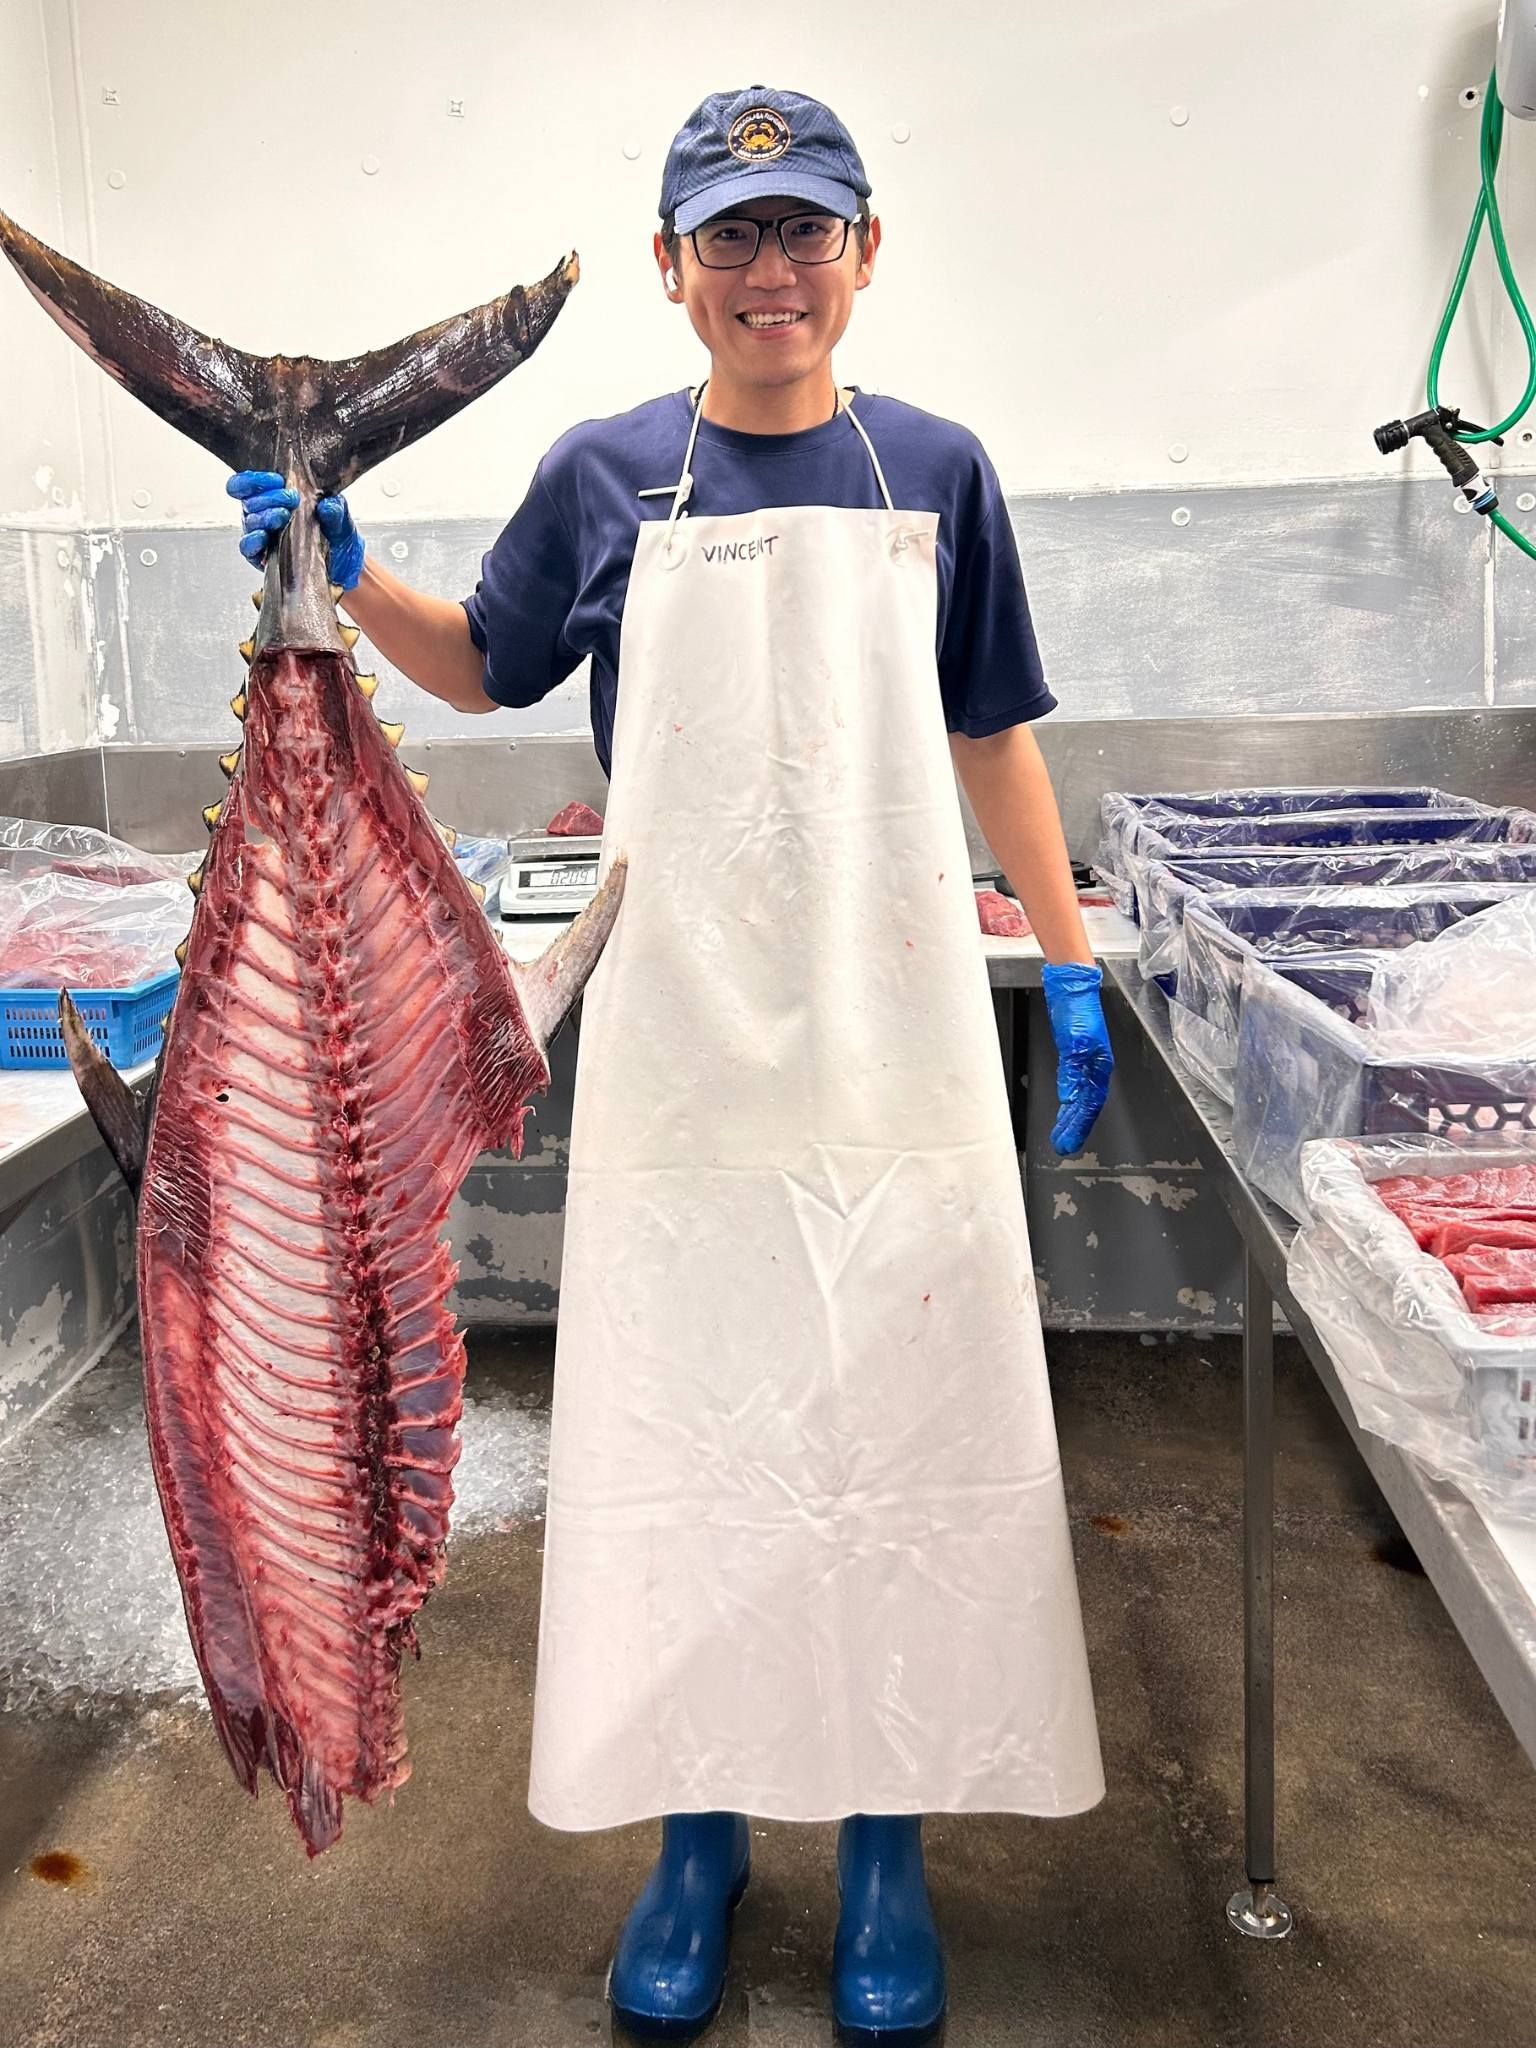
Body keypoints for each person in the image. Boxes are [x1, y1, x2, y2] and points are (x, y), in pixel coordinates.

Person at [230, 84, 1112, 2048]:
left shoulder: (941, 473)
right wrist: (336, 563)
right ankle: (695, 1843)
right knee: (689, 1450)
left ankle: (886, 1845)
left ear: (867, 255)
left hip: (892, 1066)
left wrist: (1064, 972)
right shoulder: (607, 468)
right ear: (671, 269)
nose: (771, 270)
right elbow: (484, 665)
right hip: (686, 1059)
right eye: (733, 236)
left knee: (899, 1442)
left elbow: (997, 739)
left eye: (806, 231)